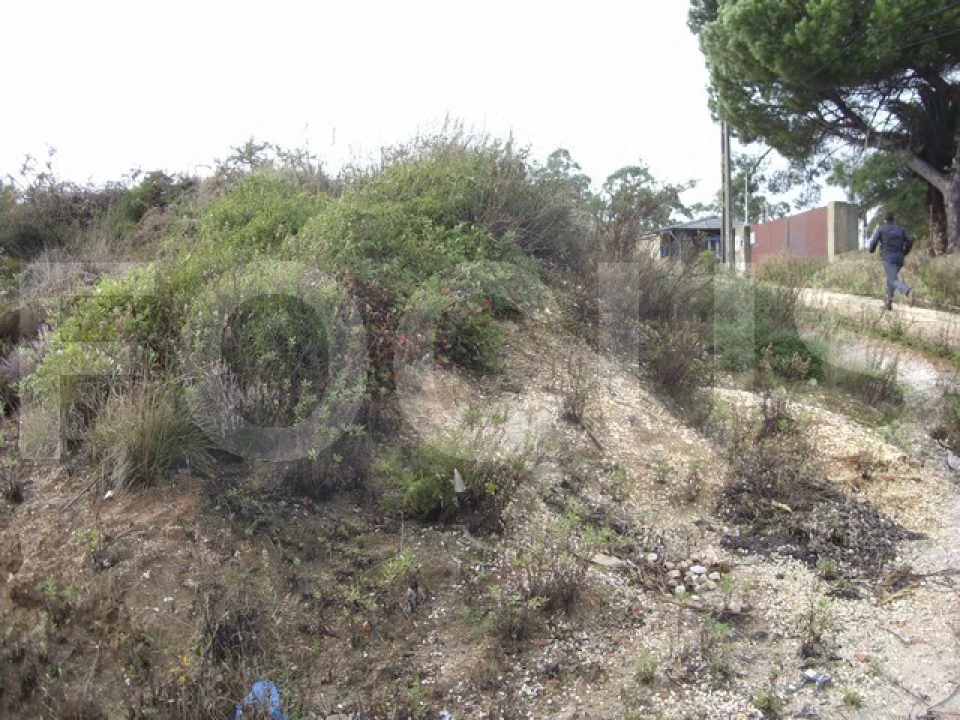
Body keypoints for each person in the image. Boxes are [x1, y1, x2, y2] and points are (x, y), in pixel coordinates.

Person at [869, 212, 914, 310]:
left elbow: (873, 242)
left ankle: (907, 291)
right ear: (893, 219)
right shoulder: (901, 229)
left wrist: (871, 250)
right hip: (900, 258)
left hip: (888, 258)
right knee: (891, 279)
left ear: (884, 220)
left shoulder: (881, 229)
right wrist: (905, 252)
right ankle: (888, 304)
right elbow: (910, 240)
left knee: (892, 279)